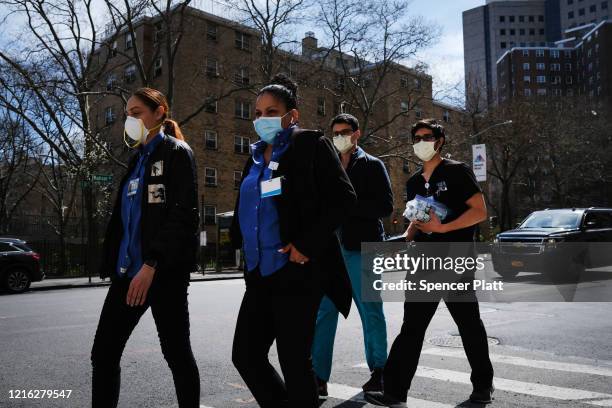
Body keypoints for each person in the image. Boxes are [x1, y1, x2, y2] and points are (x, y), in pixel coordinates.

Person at [230, 74, 357, 408]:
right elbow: (251, 204)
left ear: (292, 115)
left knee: (294, 360)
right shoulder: (255, 156)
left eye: (271, 111)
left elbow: (344, 199)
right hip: (259, 274)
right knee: (245, 355)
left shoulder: (310, 145)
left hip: (296, 271)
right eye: (257, 112)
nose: (262, 119)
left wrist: (307, 244)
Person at [365, 118, 495, 407]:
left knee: (468, 324)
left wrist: (444, 229)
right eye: (416, 137)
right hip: (422, 263)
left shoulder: (457, 171)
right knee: (412, 327)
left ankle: (483, 386)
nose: (421, 141)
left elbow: (479, 211)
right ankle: (395, 393)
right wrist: (403, 239)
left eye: (427, 136)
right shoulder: (413, 182)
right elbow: (416, 222)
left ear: (439, 141)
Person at [91, 88, 201, 408]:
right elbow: (125, 223)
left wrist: (152, 264)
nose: (130, 119)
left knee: (177, 355)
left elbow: (183, 216)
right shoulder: (136, 159)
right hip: (128, 275)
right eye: (127, 114)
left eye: (137, 112)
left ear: (159, 113)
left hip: (162, 273)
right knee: (104, 354)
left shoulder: (177, 153)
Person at [312, 113, 393, 396]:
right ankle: (318, 377)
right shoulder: (327, 165)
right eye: (335, 133)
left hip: (364, 248)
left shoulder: (373, 165)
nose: (340, 137)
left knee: (370, 311)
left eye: (345, 132)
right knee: (324, 312)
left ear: (357, 134)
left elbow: (385, 206)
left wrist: (347, 206)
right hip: (331, 250)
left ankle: (380, 373)